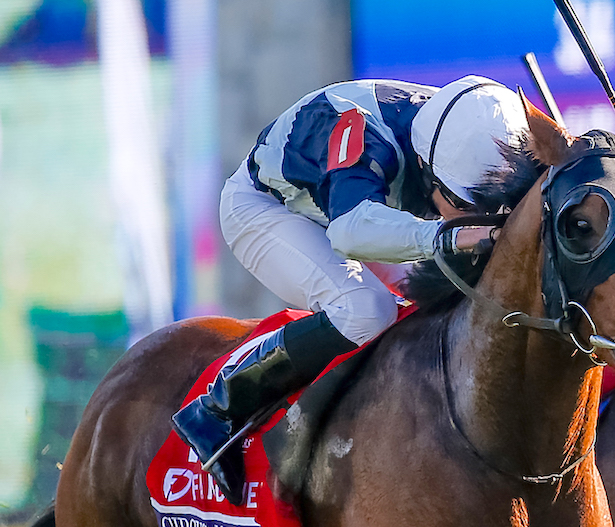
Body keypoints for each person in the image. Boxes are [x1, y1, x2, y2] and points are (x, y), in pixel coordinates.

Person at [173, 76, 535, 497]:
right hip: (272, 210)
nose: (479, 218)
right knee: (365, 310)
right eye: (469, 208)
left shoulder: (470, 135)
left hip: (356, 207)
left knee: (440, 305)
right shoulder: (364, 136)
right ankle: (219, 405)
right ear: (429, 174)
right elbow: (350, 231)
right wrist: (449, 237)